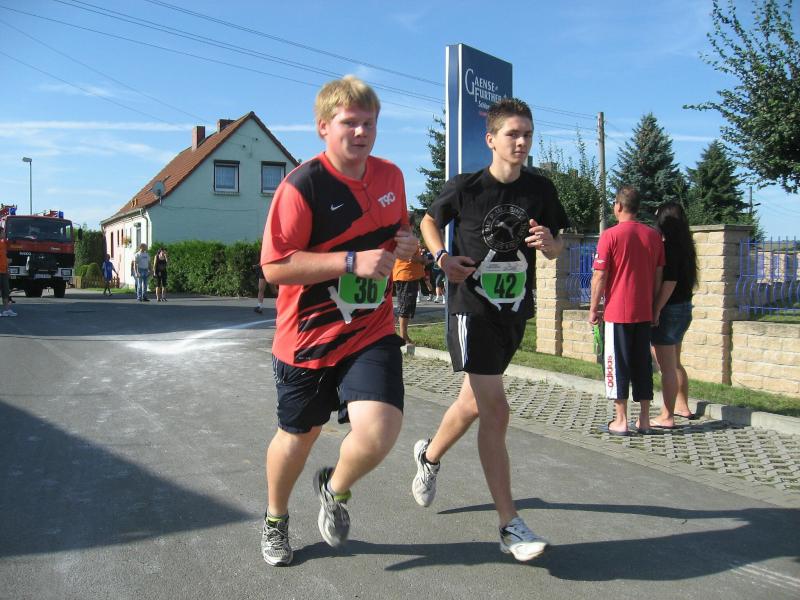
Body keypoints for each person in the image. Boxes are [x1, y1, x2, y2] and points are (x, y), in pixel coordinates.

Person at [258, 75, 417, 567]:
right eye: (350, 123)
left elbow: (400, 233)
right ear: (324, 127)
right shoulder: (302, 186)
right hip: (308, 340)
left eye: (369, 123)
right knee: (299, 437)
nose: (361, 132)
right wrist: (350, 262)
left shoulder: (391, 176)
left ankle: (335, 488)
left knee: (381, 429)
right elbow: (274, 267)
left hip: (369, 330)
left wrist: (407, 245)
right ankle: (276, 519)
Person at [415, 98, 570, 562]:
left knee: (471, 404)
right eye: (512, 134)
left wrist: (551, 244)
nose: (521, 142)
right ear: (491, 139)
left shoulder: (540, 189)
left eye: (527, 134)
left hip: (514, 310)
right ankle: (509, 524)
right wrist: (442, 258)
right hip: (472, 309)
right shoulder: (467, 187)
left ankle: (428, 457)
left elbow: (558, 245)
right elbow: (428, 220)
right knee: (496, 410)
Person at [588, 186, 664, 435]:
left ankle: (620, 420)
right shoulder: (653, 236)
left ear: (619, 206)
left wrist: (593, 308)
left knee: (615, 363)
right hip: (644, 311)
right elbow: (658, 275)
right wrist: (654, 307)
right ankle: (644, 419)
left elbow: (600, 275)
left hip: (617, 312)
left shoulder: (609, 235)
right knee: (643, 363)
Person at [649, 202, 698, 427]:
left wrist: (656, 309)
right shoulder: (686, 246)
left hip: (669, 310)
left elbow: (669, 282)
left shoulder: (668, 248)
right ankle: (682, 406)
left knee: (665, 367)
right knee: (675, 362)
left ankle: (666, 416)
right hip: (684, 307)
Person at [392, 242, 426, 345]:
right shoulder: (406, 240)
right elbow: (411, 258)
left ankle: (403, 334)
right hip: (406, 276)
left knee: (406, 305)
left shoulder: (408, 240)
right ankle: (403, 336)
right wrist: (423, 260)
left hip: (408, 276)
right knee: (405, 306)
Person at [0, 226, 16, 317]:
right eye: (3, 232)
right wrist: (6, 261)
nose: (4, 234)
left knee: (6, 292)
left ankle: (7, 310)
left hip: (4, 272)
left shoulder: (3, 244)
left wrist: (8, 269)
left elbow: (4, 257)